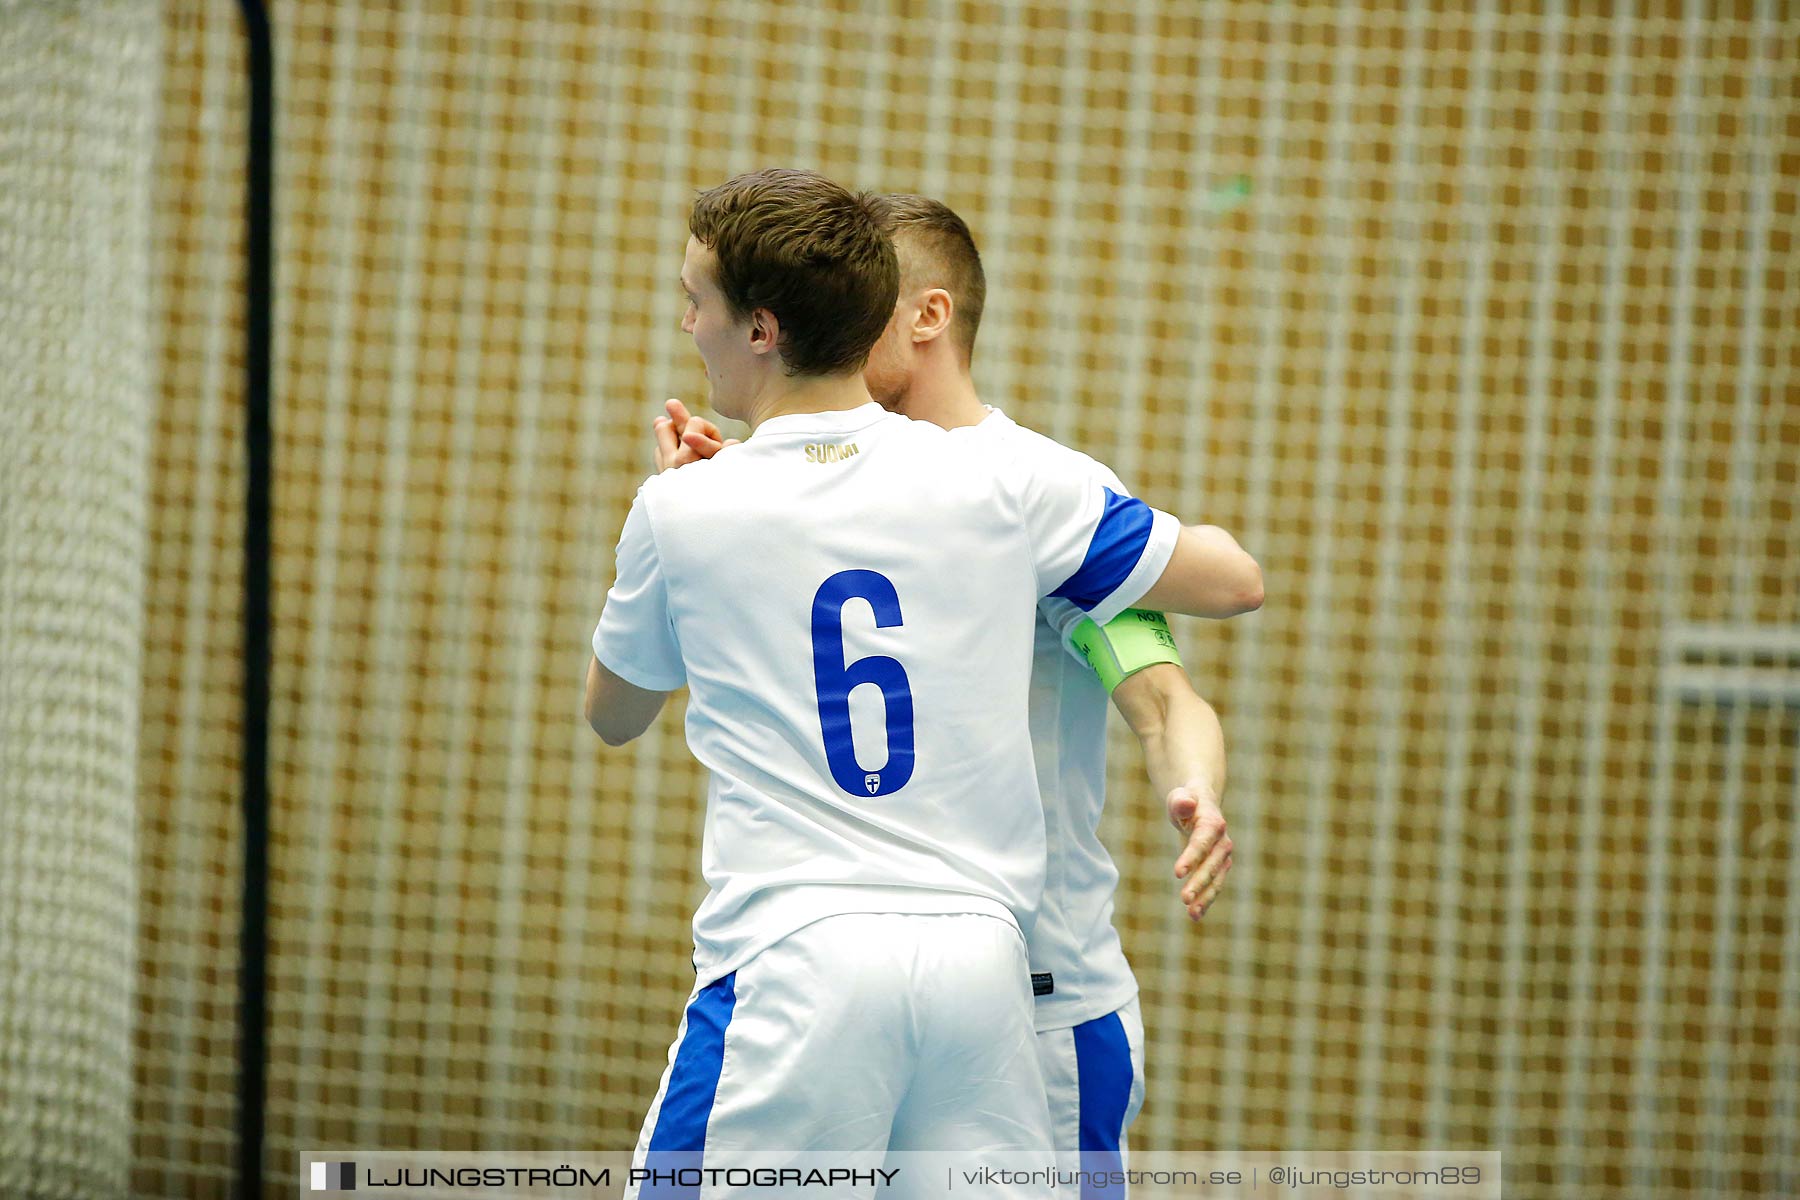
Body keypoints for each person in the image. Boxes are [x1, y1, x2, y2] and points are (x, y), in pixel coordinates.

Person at [585, 169, 1254, 1176]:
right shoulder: (1004, 487)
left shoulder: (1021, 484)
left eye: (698, 303)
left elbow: (1165, 690)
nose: (687, 323)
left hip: (977, 977)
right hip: (974, 965)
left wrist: (1192, 784)